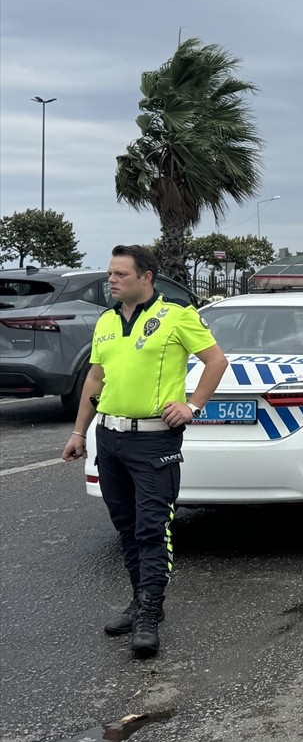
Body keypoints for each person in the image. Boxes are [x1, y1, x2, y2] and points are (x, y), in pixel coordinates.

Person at [61, 245, 228, 658]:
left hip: (155, 439)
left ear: (146, 276)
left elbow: (216, 361)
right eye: (109, 274)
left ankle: (151, 612)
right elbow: (95, 379)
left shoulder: (177, 317)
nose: (111, 281)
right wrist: (79, 432)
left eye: (120, 274)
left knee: (153, 528)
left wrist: (192, 406)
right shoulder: (105, 321)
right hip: (111, 438)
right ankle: (138, 601)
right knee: (127, 527)